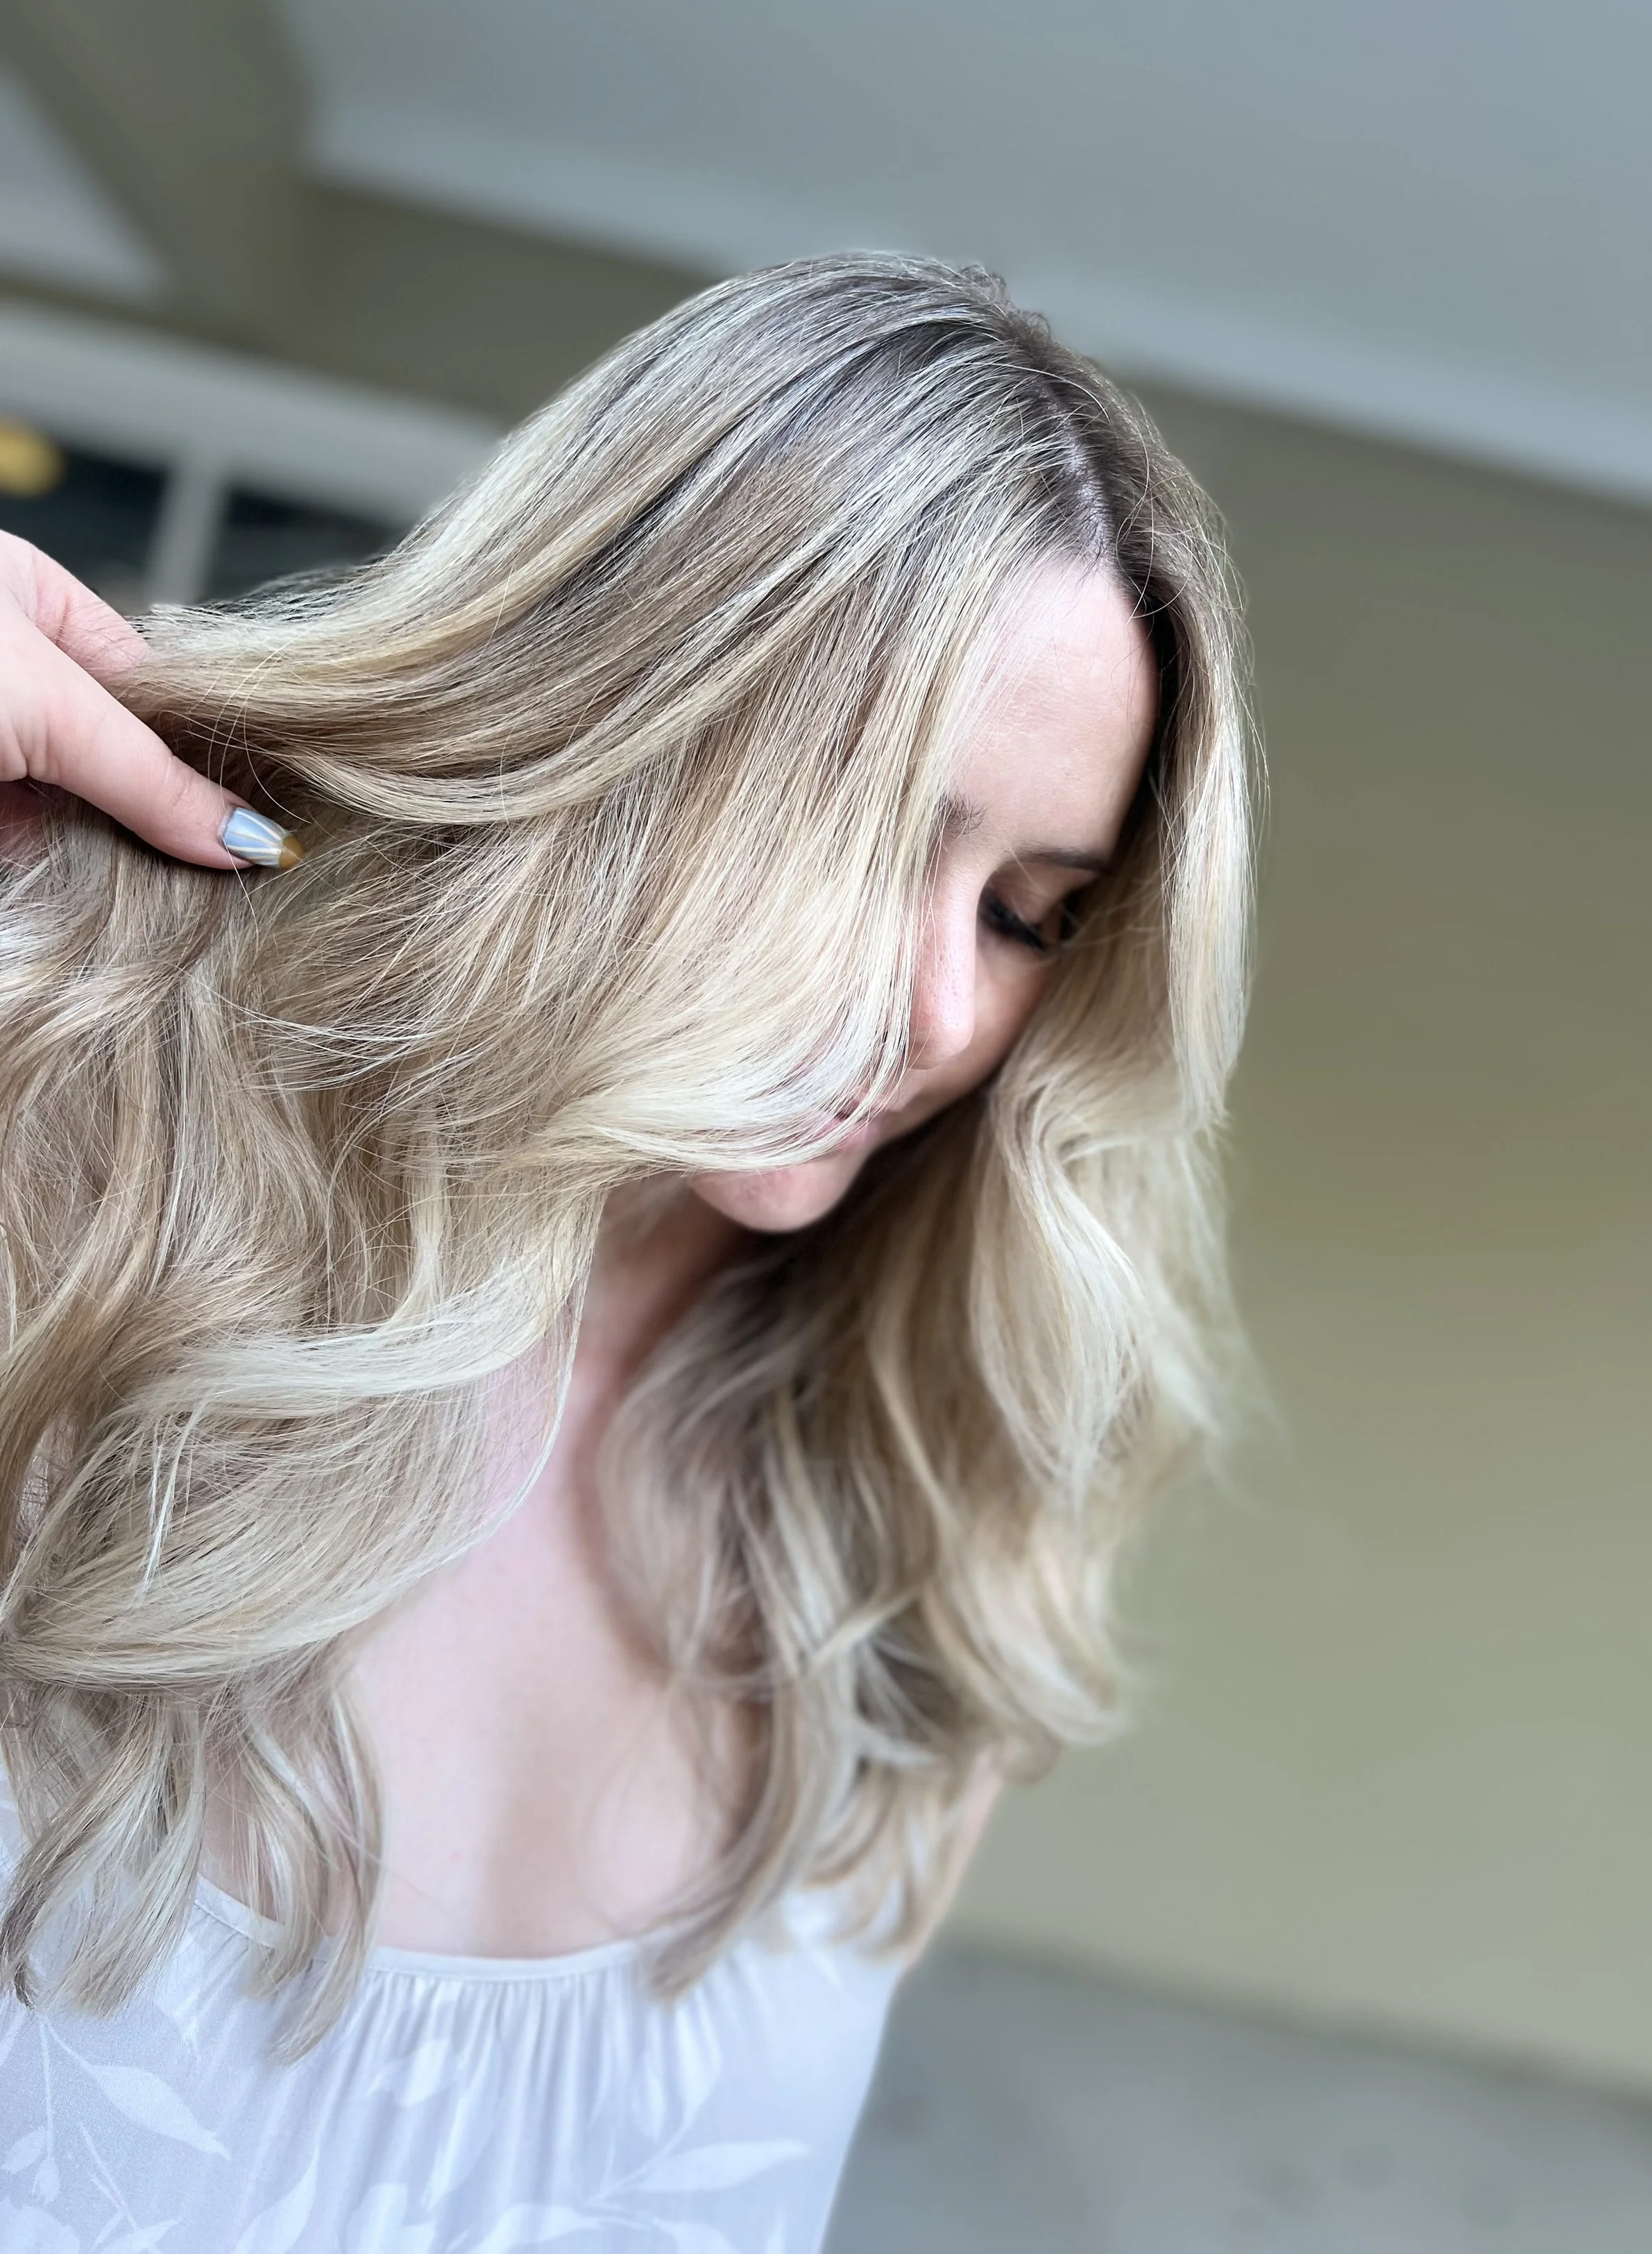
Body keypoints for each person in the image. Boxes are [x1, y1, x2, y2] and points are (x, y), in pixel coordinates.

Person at [0, 255, 1252, 2252]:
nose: (934, 1011)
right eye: (865, 844)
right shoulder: (62, 1238)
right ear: (602, 728)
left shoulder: (918, 1514)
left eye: (1030, 914)